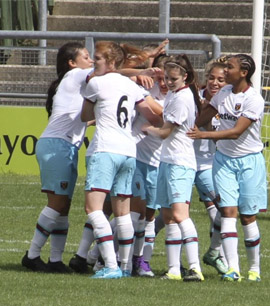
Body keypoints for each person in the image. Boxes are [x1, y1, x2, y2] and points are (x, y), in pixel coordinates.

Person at [81, 41, 162, 279]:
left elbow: (85, 116)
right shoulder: (131, 86)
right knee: (123, 211)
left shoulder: (96, 83)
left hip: (105, 149)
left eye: (98, 58)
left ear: (112, 61)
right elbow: (153, 115)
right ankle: (125, 266)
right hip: (128, 152)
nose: (95, 62)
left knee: (93, 208)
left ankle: (111, 266)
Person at [188, 54, 267, 282]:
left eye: (229, 68)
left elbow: (236, 132)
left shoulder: (254, 99)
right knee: (228, 212)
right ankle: (233, 269)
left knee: (248, 217)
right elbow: (204, 116)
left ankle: (254, 269)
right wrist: (195, 115)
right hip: (223, 161)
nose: (225, 72)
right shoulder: (222, 93)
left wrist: (204, 134)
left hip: (250, 161)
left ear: (243, 73)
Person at [21, 42, 94, 273]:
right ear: (72, 63)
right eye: (86, 56)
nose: (92, 60)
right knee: (58, 204)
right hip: (58, 147)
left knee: (64, 207)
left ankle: (55, 260)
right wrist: (142, 70)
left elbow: (80, 119)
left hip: (66, 147)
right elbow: (106, 71)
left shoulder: (75, 83)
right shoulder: (75, 75)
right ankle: (32, 256)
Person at [142, 54, 204, 282]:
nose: (168, 82)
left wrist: (147, 128)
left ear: (185, 77)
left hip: (180, 162)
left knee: (179, 214)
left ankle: (195, 268)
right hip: (167, 161)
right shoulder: (174, 95)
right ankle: (174, 270)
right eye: (166, 77)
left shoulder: (182, 98)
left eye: (174, 78)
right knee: (167, 216)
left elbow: (165, 132)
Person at [130, 54, 169, 277]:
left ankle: (143, 261)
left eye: (167, 79)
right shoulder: (144, 90)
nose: (163, 83)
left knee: (149, 216)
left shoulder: (178, 97)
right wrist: (139, 75)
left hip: (158, 164)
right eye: (160, 78)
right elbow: (118, 76)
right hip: (136, 158)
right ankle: (112, 258)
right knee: (131, 213)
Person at [194, 59, 228, 275]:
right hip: (185, 162)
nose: (215, 83)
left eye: (221, 80)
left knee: (221, 212)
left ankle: (216, 255)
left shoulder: (229, 103)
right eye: (212, 78)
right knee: (160, 214)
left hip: (208, 166)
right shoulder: (194, 98)